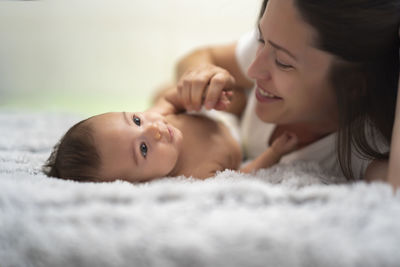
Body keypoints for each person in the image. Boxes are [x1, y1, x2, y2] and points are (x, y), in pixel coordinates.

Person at [165, 0, 400, 188]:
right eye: (260, 38)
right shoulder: (274, 44)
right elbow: (199, 56)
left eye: (283, 63)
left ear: (355, 87)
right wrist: (202, 76)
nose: (253, 69)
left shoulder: (361, 148)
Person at [42, 89, 298, 182]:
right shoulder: (196, 175)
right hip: (238, 136)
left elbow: (170, 99)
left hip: (217, 112)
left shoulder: (157, 118)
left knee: (164, 91)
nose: (153, 129)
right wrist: (273, 153)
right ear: (143, 183)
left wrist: (196, 94)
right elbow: (242, 176)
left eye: (135, 119)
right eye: (143, 149)